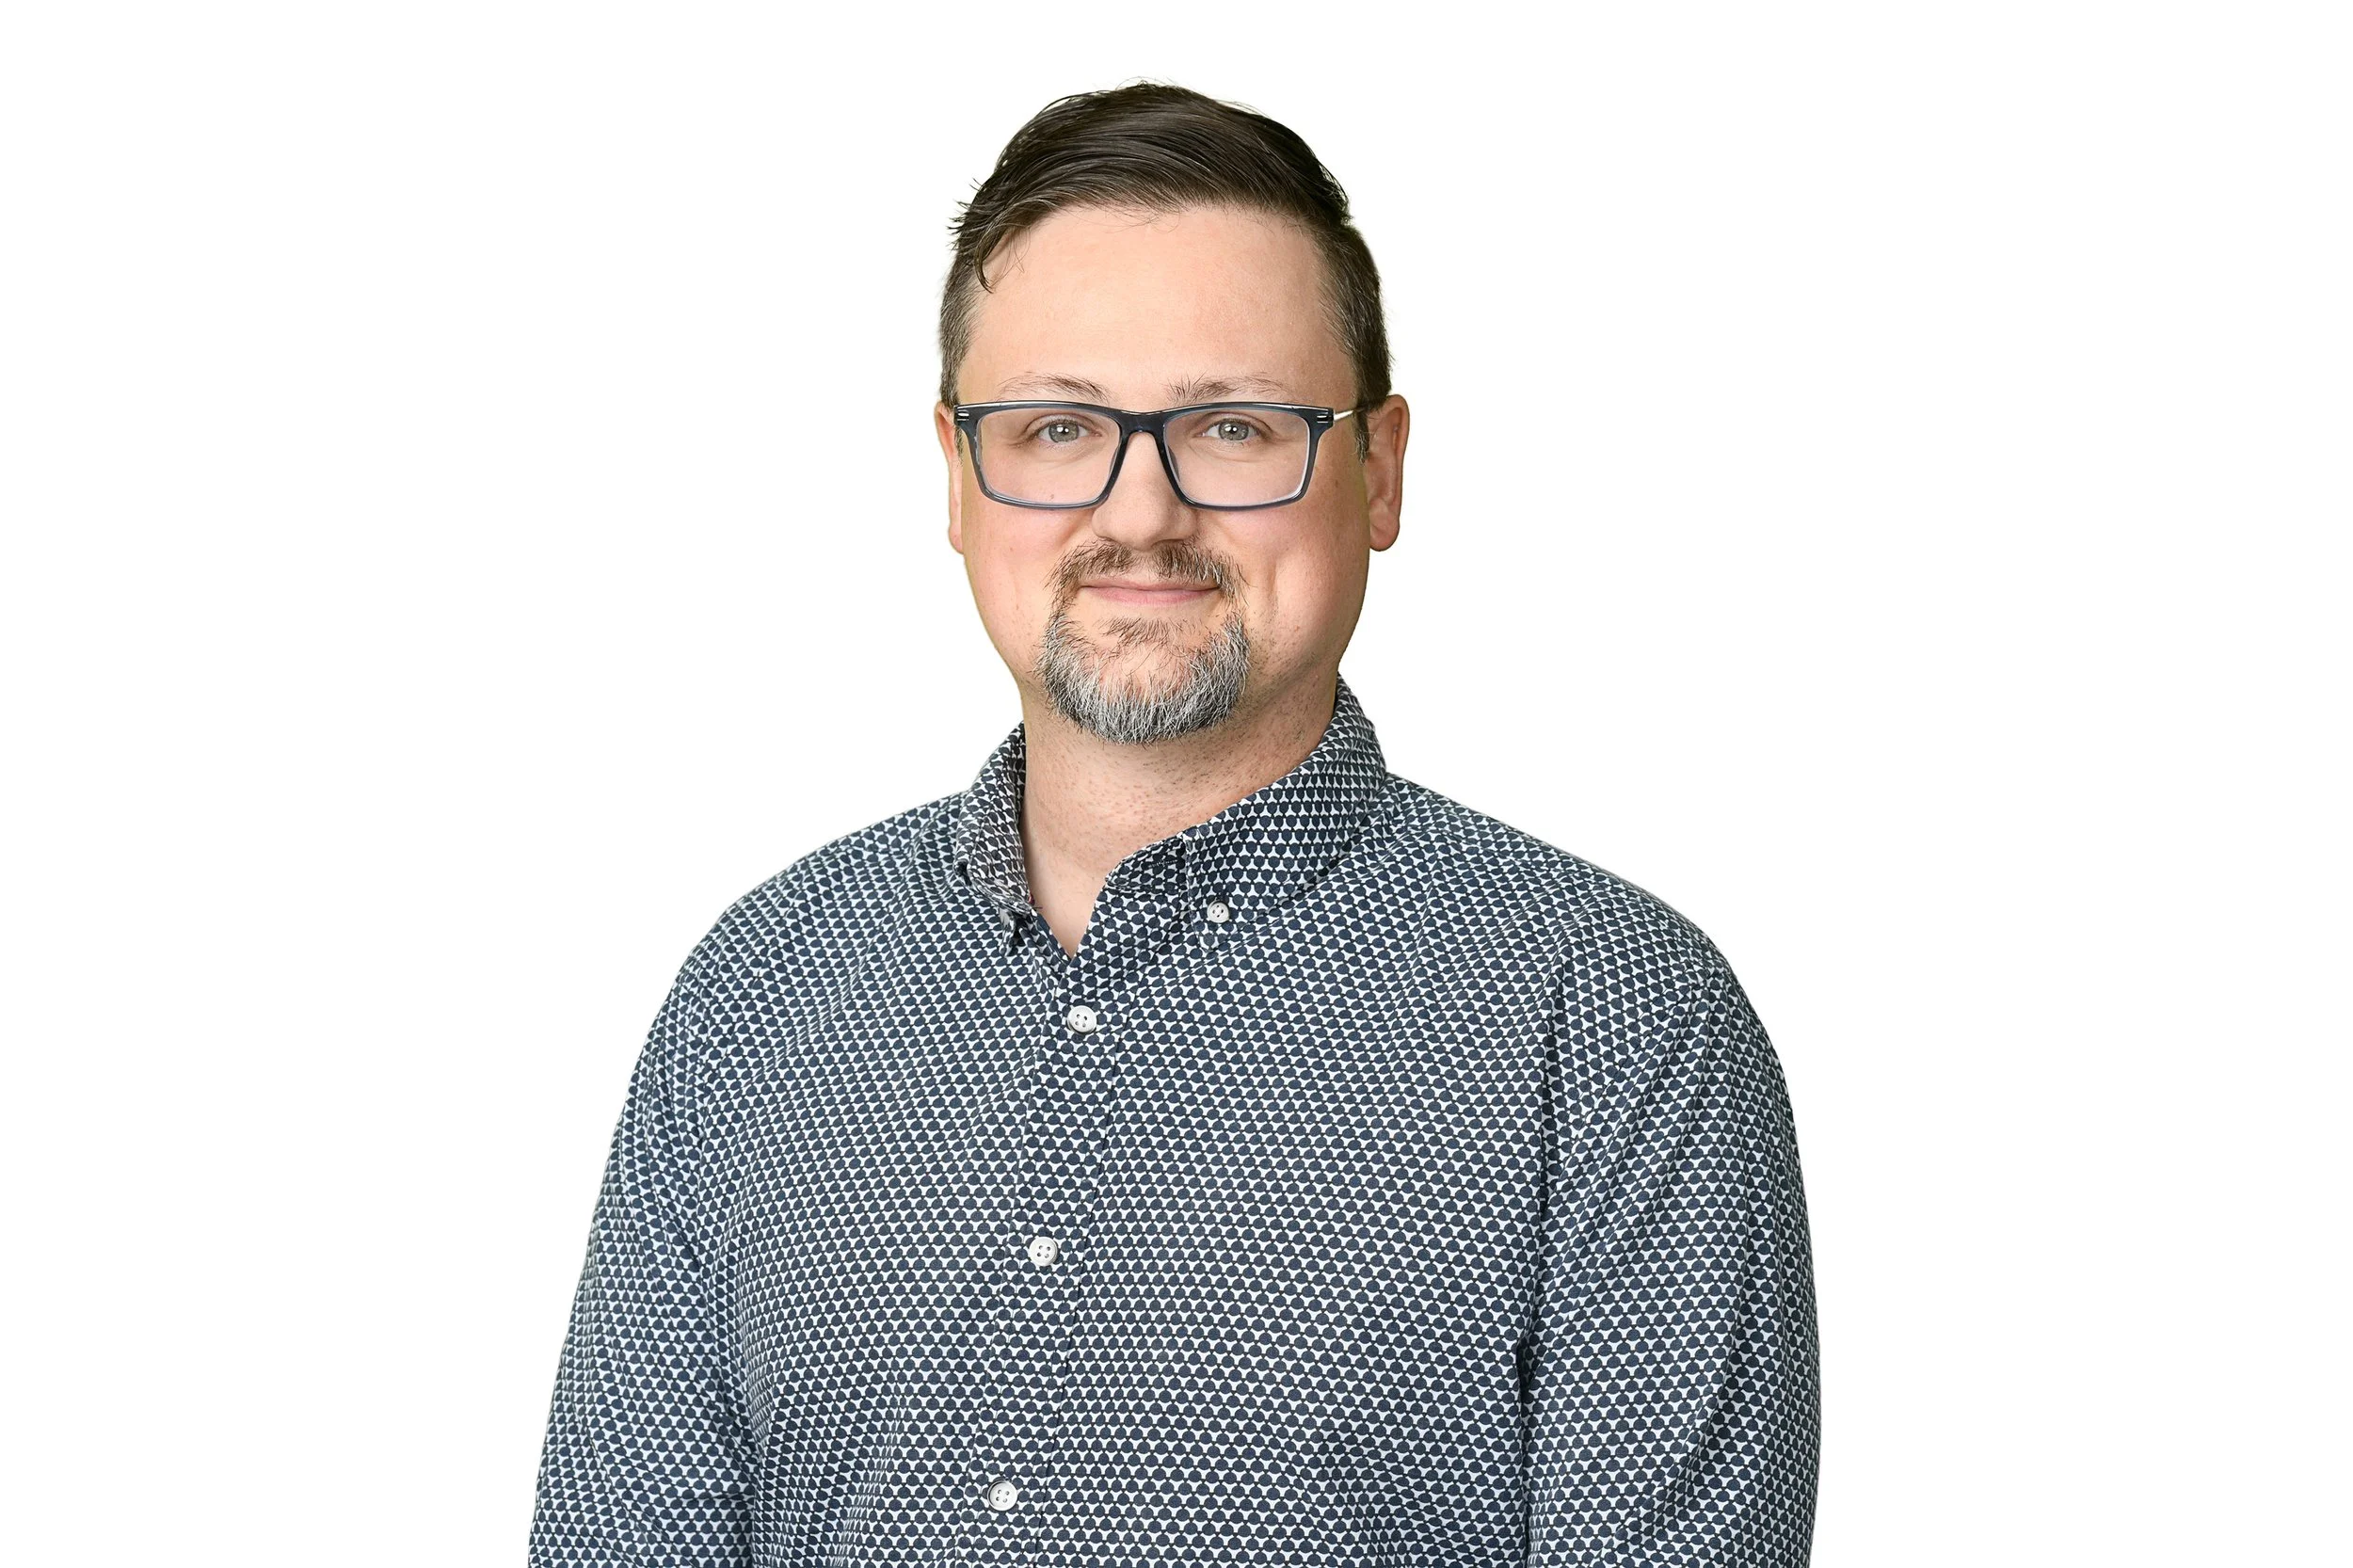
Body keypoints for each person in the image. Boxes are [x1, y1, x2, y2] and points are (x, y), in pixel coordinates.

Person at [529, 83, 1818, 1567]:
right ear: (956, 472)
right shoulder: (757, 996)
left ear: (1380, 470)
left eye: (1234, 426)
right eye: (1057, 426)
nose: (1139, 513)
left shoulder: (1616, 1023)